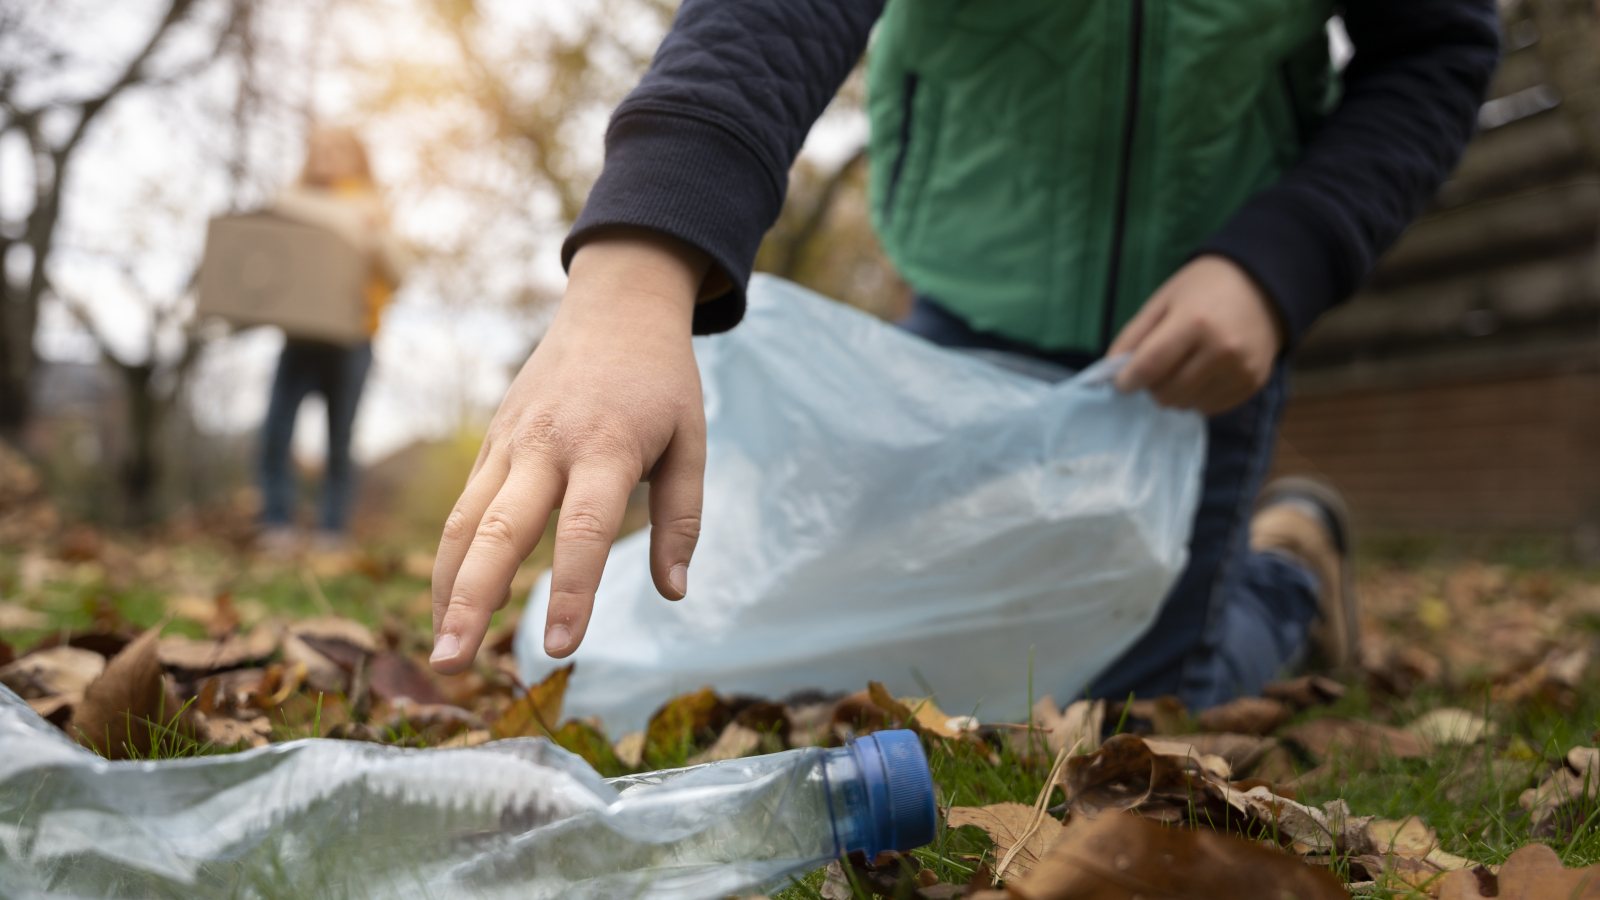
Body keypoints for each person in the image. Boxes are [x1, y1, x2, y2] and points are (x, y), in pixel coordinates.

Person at [426, 1, 1500, 711]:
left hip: (1203, 328)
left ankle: (1286, 578)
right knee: (925, 655)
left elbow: (1436, 50)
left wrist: (1280, 263)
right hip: (970, 298)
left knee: (1132, 712)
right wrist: (637, 264)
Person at [257, 127, 407, 556]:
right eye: (317, 148)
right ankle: (277, 526)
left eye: (336, 148)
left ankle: (331, 532)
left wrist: (375, 233)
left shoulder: (373, 208)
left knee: (339, 441)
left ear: (357, 157)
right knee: (275, 432)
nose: (325, 155)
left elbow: (399, 274)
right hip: (299, 339)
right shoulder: (292, 201)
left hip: (353, 340)